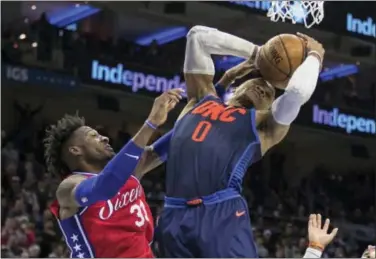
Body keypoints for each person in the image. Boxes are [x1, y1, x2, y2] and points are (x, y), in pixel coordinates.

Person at [156, 25, 324, 257]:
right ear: (237, 87)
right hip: (173, 214)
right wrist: (259, 54)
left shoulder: (263, 125)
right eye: (257, 83)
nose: (263, 88)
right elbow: (197, 36)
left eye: (269, 93)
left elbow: (295, 94)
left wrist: (314, 57)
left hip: (220, 213)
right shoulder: (201, 101)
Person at [45, 89, 183, 258]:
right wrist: (151, 123)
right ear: (75, 150)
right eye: (93, 136)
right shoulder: (69, 187)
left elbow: (165, 147)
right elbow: (104, 187)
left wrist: (203, 108)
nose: (105, 138)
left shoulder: (125, 172)